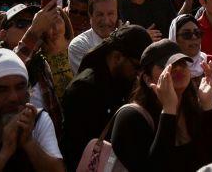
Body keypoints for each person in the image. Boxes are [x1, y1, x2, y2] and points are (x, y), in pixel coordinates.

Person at [109, 39, 212, 171]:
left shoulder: (203, 105)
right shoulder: (131, 118)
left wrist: (208, 104)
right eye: (166, 65)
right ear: (147, 79)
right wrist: (169, 111)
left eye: (182, 62)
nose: (177, 68)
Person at [59, 24, 151, 165]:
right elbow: (77, 149)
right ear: (117, 57)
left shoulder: (124, 81)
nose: (139, 75)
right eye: (136, 67)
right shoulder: (84, 89)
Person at [67, 0, 118, 74]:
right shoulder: (78, 45)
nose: (106, 20)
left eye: (110, 14)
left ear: (117, 15)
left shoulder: (126, 40)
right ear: (90, 15)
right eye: (100, 14)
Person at [169, 13, 212, 83]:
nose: (194, 37)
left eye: (197, 33)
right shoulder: (170, 71)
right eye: (187, 34)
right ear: (175, 39)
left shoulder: (211, 62)